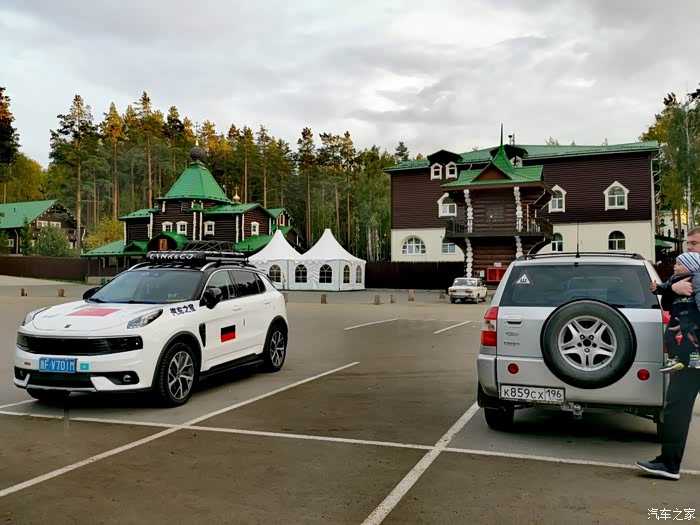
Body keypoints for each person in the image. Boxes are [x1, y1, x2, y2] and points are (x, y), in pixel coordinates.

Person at [637, 227, 700, 480]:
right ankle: (668, 463)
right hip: (685, 355)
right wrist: (674, 290)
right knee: (676, 407)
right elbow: (666, 304)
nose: (689, 247)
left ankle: (669, 464)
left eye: (695, 243)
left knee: (677, 407)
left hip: (692, 354)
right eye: (688, 243)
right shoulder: (681, 277)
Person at [650, 252, 700, 372]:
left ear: (690, 266)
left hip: (689, 313)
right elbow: (664, 288)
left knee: (689, 333)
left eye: (679, 264)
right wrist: (657, 289)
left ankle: (695, 357)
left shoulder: (696, 279)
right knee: (668, 335)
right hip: (676, 313)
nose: (675, 266)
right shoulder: (673, 279)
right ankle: (673, 359)